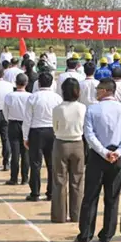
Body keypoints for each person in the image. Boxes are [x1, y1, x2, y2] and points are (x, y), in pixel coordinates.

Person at [75, 78, 121, 242]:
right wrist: (117, 152)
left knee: (90, 196)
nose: (96, 91)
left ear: (107, 90)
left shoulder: (93, 110)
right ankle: (107, 234)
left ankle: (86, 234)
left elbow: (89, 135)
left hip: (97, 157)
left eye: (99, 89)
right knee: (112, 198)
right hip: (117, 158)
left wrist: (103, 152)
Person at [23, 72, 63, 202]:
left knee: (35, 164)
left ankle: (35, 192)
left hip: (36, 131)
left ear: (38, 83)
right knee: (52, 164)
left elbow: (27, 119)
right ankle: (51, 192)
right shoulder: (57, 98)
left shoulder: (33, 97)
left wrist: (25, 137)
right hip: (52, 131)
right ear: (51, 83)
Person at [51, 78, 87, 224]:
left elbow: (55, 127)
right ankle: (76, 214)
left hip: (61, 143)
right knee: (77, 180)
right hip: (78, 143)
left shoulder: (58, 108)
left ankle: (59, 216)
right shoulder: (82, 108)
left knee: (59, 180)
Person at [3, 73, 31, 185]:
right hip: (26, 124)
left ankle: (14, 178)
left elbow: (5, 112)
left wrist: (8, 120)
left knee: (15, 152)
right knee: (25, 152)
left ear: (15, 83)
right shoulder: (30, 96)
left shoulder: (9, 96)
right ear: (26, 83)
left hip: (13, 123)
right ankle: (25, 178)